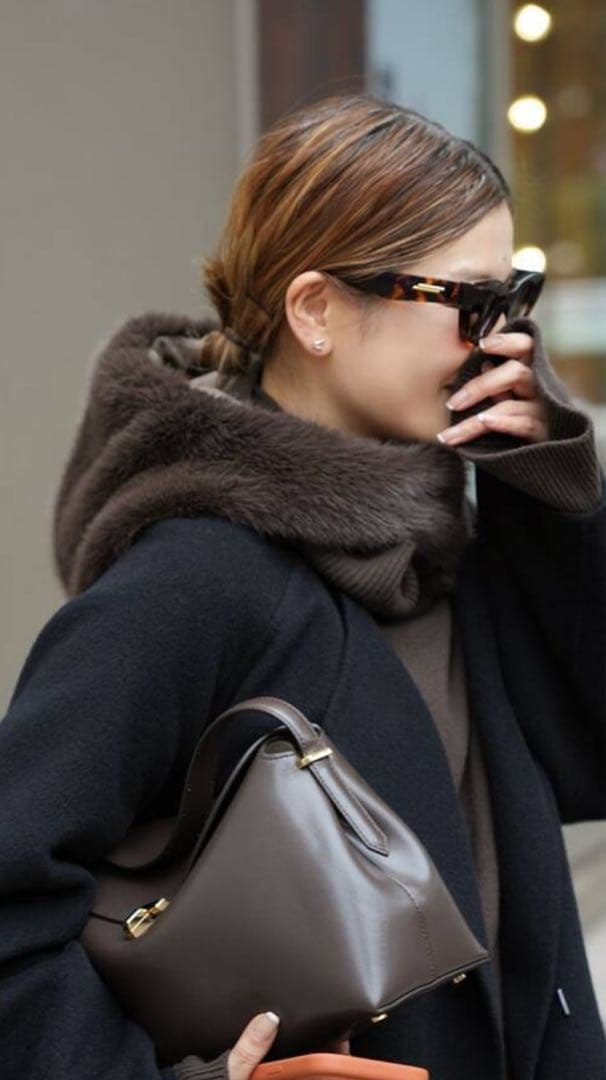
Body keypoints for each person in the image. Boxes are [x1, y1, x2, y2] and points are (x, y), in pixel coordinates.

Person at [0, 93, 604, 1080]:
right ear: (316, 310)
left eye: (515, 301)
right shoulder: (193, 580)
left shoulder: (446, 540)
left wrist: (549, 486)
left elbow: (588, 753)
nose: (503, 344)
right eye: (470, 305)